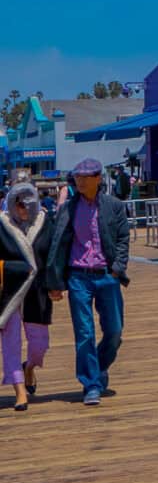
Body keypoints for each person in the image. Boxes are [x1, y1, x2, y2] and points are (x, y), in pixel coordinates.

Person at [46, 157, 130, 406]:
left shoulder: (114, 206)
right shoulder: (68, 209)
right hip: (78, 276)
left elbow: (123, 239)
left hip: (107, 275)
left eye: (85, 177)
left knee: (114, 331)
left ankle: (99, 367)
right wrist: (55, 281)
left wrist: (117, 269)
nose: (79, 181)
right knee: (84, 333)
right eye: (77, 177)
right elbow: (57, 245)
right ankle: (91, 384)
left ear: (98, 178)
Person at [0, 183, 54, 411]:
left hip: (37, 290)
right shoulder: (2, 224)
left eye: (28, 204)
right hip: (9, 292)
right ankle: (19, 390)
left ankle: (29, 367)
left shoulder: (45, 223)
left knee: (39, 344)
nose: (23, 209)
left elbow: (52, 255)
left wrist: (56, 284)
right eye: (19, 204)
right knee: (10, 343)